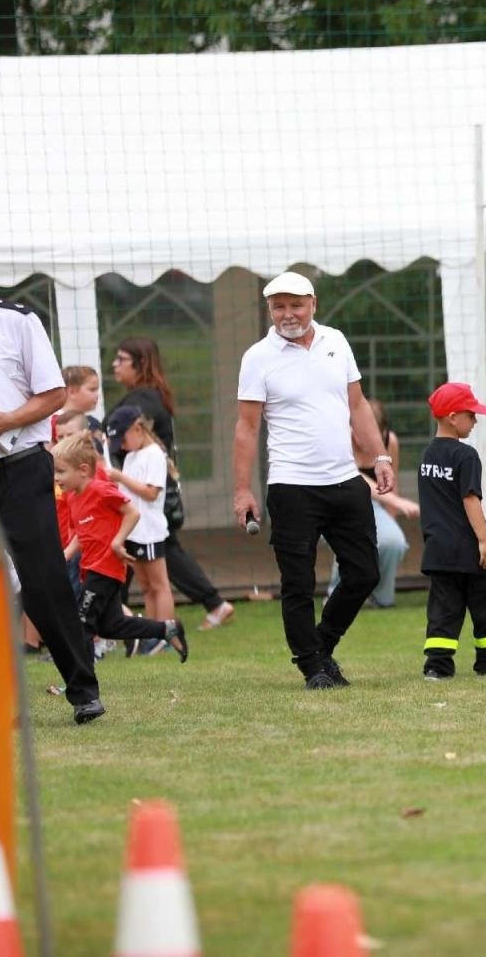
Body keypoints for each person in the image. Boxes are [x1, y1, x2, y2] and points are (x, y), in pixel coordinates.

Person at [233, 271, 393, 690]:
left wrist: (379, 457)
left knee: (364, 572)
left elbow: (357, 406)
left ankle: (321, 645)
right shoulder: (257, 357)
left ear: (313, 304)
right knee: (298, 583)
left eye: (295, 305)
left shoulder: (336, 342)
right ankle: (312, 666)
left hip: (344, 480)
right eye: (278, 306)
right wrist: (243, 489)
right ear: (269, 310)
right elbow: (246, 428)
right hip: (291, 486)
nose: (288, 314)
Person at [0, 297, 105, 723]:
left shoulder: (13, 319)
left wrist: (9, 419)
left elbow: (54, 394)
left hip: (17, 468)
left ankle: (83, 689)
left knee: (43, 581)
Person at [110, 337, 235, 630]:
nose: (114, 365)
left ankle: (158, 624)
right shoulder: (147, 396)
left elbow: (143, 463)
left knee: (159, 568)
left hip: (149, 499)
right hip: (142, 497)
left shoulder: (144, 402)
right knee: (149, 564)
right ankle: (129, 621)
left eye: (120, 360)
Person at [52, 432, 188, 663]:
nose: (56, 477)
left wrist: (117, 540)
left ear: (83, 470)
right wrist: (66, 554)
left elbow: (132, 512)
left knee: (82, 623)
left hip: (106, 567)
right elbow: (80, 534)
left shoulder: (100, 490)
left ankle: (80, 684)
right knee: (111, 626)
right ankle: (167, 629)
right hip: (91, 567)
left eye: (61, 471)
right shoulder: (73, 497)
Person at [418, 383, 486, 680]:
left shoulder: (427, 455)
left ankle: (437, 666)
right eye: (471, 415)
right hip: (468, 549)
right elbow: (470, 499)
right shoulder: (466, 455)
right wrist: (485, 540)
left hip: (438, 549)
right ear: (453, 417)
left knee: (443, 609)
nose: (476, 420)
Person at [326, 398, 418, 610]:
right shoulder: (340, 440)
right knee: (351, 536)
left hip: (371, 506)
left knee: (393, 542)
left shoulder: (390, 442)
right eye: (358, 432)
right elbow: (356, 478)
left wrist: (391, 521)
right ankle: (336, 593)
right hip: (335, 505)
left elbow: (390, 484)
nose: (360, 440)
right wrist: (395, 501)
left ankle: (381, 597)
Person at [103, 406, 179, 652]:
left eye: (123, 440)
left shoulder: (154, 454)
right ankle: (151, 633)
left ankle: (165, 635)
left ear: (137, 429)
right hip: (134, 530)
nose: (122, 447)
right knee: (146, 587)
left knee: (159, 584)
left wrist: (120, 478)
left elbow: (150, 492)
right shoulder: (133, 455)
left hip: (150, 530)